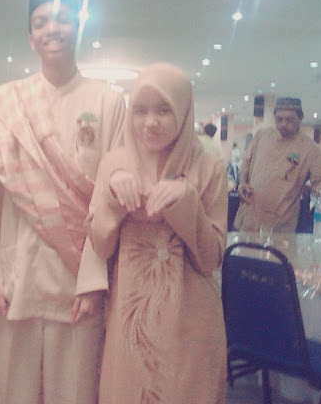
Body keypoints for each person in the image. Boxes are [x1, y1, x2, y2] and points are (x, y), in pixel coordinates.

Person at [0, 0, 125, 404]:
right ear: (30, 36)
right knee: (11, 392)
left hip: (77, 281)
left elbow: (108, 203)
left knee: (74, 393)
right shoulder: (6, 105)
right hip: (14, 274)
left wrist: (94, 281)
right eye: (40, 22)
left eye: (61, 19)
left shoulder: (108, 102)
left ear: (78, 25)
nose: (51, 29)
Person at [88, 63, 227, 404]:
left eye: (164, 110)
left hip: (191, 326)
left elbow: (211, 258)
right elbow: (100, 246)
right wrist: (114, 200)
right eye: (140, 110)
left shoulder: (208, 166)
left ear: (183, 111)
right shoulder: (114, 163)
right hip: (131, 325)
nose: (150, 122)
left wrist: (187, 202)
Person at [234, 97, 321, 233]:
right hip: (248, 219)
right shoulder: (262, 136)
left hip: (280, 226)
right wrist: (242, 182)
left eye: (289, 120)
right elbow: (246, 161)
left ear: (300, 118)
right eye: (279, 119)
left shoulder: (310, 149)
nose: (283, 124)